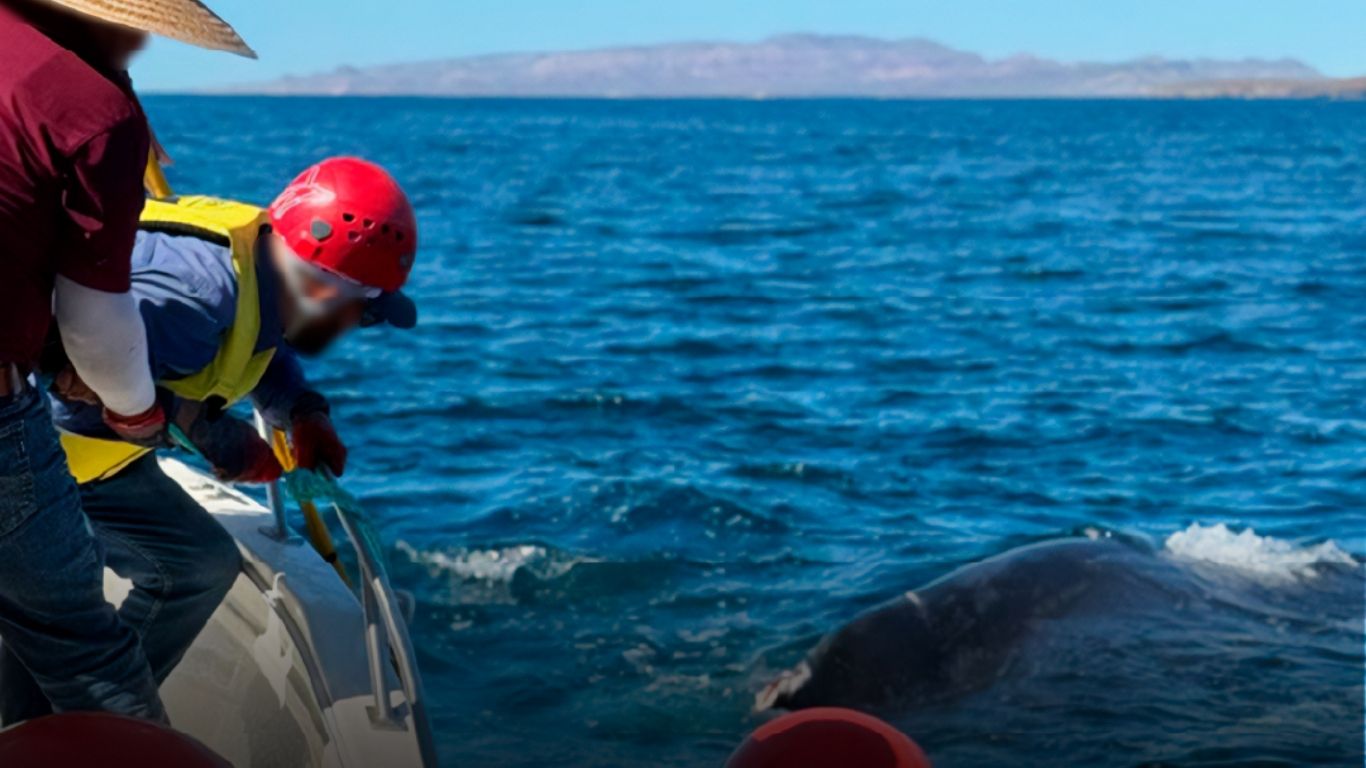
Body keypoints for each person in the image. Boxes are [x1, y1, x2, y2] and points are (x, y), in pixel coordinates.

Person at [0, 157, 420, 724]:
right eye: (362, 315)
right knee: (102, 603)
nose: (355, 327)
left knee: (167, 575)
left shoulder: (263, 254)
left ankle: (46, 721)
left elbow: (261, 339)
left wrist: (302, 411)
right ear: (321, 288)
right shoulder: (190, 301)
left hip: (102, 463)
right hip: (38, 461)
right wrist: (217, 438)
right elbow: (71, 389)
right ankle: (78, 729)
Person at [0, 0, 251, 722]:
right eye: (141, 23)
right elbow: (96, 322)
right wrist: (140, 412)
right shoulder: (92, 108)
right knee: (84, 653)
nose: (142, 43)